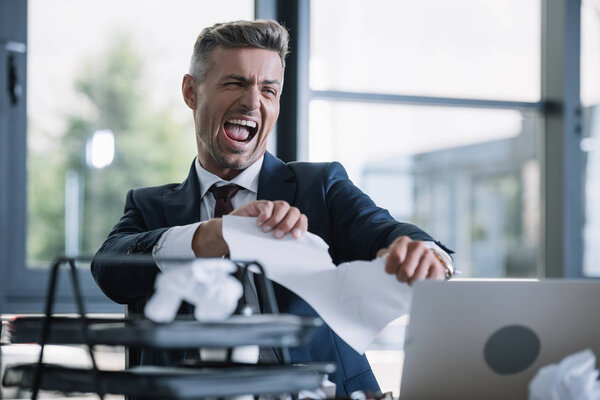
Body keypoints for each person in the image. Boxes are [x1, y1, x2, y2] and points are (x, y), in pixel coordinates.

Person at [91, 19, 454, 396]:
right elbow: (109, 270)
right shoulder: (150, 206)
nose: (252, 101)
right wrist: (210, 236)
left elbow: (385, 230)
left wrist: (428, 255)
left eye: (269, 89)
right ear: (191, 92)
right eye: (234, 83)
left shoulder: (321, 186)